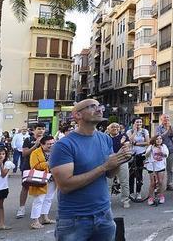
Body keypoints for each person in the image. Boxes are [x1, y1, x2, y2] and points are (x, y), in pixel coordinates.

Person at [50, 99, 132, 241]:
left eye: (99, 106)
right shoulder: (64, 145)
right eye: (92, 107)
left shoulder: (105, 139)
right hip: (74, 219)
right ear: (77, 115)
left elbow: (110, 174)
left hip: (104, 214)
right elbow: (65, 185)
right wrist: (104, 166)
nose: (99, 109)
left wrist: (120, 159)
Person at [17, 123, 45, 219]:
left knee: (41, 187)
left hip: (41, 167)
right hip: (28, 166)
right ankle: (21, 208)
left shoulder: (47, 140)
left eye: (43, 129)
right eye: (39, 128)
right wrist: (35, 145)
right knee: (25, 187)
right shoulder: (28, 139)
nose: (41, 130)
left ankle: (39, 209)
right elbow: (24, 153)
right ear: (33, 130)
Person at [28, 135, 56, 229]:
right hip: (41, 179)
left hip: (53, 179)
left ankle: (45, 218)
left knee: (49, 199)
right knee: (39, 200)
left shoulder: (56, 151)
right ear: (42, 144)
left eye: (52, 143)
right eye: (49, 144)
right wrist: (48, 163)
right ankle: (35, 221)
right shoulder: (35, 153)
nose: (51, 145)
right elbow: (34, 166)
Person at [105, 123, 131, 208]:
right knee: (108, 183)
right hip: (109, 161)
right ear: (108, 129)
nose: (115, 128)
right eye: (112, 127)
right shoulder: (105, 137)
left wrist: (122, 143)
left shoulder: (124, 136)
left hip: (122, 160)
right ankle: (107, 202)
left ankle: (125, 200)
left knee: (124, 182)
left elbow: (126, 147)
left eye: (117, 127)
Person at [125, 118, 149, 201]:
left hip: (141, 154)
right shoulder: (129, 131)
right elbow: (130, 141)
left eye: (140, 122)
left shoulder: (144, 131)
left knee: (139, 174)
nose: (139, 123)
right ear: (133, 123)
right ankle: (131, 192)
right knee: (131, 174)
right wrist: (135, 131)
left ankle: (138, 192)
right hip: (131, 155)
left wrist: (137, 143)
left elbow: (147, 142)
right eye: (137, 122)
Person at [144, 135, 168, 206]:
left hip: (160, 166)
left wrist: (161, 151)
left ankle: (161, 196)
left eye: (160, 139)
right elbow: (146, 155)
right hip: (152, 166)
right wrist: (150, 150)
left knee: (160, 181)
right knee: (152, 183)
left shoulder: (164, 146)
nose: (159, 140)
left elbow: (166, 155)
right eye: (157, 139)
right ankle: (151, 197)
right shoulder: (151, 146)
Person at [155, 114, 173, 191]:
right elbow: (159, 137)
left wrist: (170, 128)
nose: (166, 119)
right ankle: (159, 184)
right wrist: (167, 130)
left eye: (167, 117)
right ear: (161, 119)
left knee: (169, 168)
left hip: (170, 149)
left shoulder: (171, 126)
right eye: (165, 118)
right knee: (160, 168)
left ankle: (169, 184)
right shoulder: (158, 128)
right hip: (160, 150)